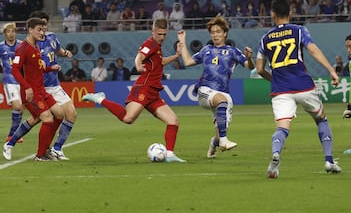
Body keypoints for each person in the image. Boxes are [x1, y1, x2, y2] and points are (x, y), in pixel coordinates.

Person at [255, 0, 341, 179]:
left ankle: (276, 155)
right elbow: (313, 50)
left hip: (281, 90)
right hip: (303, 86)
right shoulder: (299, 30)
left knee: (282, 127)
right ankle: (329, 160)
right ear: (290, 13)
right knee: (321, 119)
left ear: (272, 14)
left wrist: (274, 79)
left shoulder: (265, 39)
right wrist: (331, 70)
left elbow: (260, 69)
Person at [82, 18, 186, 163]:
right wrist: (138, 65)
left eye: (164, 34)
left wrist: (176, 56)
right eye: (159, 34)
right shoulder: (150, 43)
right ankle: (100, 98)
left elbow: (159, 62)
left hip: (153, 92)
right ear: (153, 31)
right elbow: (140, 57)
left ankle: (169, 155)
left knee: (173, 121)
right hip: (143, 87)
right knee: (128, 118)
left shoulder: (157, 46)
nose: (162, 37)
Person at [177, 14, 255, 158]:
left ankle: (216, 142)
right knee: (222, 102)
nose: (215, 35)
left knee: (221, 129)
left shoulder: (233, 52)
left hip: (223, 93)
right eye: (213, 32)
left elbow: (250, 67)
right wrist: (182, 41)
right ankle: (224, 141)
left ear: (225, 33)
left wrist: (249, 58)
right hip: (205, 90)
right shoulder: (206, 50)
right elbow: (187, 62)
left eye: (218, 32)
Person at [3, 17, 64, 161]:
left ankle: (11, 143)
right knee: (47, 119)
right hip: (31, 93)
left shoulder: (36, 46)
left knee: (59, 115)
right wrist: (27, 88)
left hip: (41, 90)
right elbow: (15, 70)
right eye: (39, 30)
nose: (42, 32)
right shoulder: (22, 48)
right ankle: (41, 154)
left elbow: (38, 68)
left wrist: (50, 68)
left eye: (43, 29)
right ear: (30, 30)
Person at [31, 10, 77, 160]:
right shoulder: (33, 44)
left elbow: (57, 50)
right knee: (44, 119)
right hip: (41, 88)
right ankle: (15, 142)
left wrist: (65, 53)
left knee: (71, 114)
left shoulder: (51, 37)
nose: (44, 27)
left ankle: (57, 148)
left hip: (55, 85)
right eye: (41, 24)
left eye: (45, 24)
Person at [0, 22, 24, 143]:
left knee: (21, 109)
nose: (11, 34)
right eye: (8, 31)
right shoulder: (1, 47)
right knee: (17, 106)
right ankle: (13, 136)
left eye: (13, 31)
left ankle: (14, 135)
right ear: (4, 33)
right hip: (9, 81)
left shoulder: (21, 45)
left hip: (22, 80)